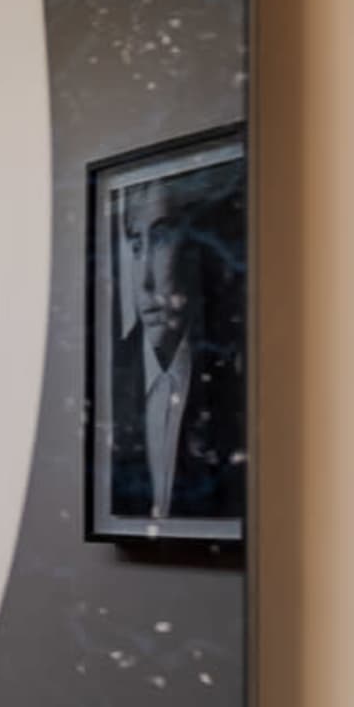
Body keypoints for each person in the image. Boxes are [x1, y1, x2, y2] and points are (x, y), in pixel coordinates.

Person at [109, 216, 246, 526]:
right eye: (135, 244)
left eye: (160, 240)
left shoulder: (238, 383)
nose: (144, 281)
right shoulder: (106, 386)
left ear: (196, 248)